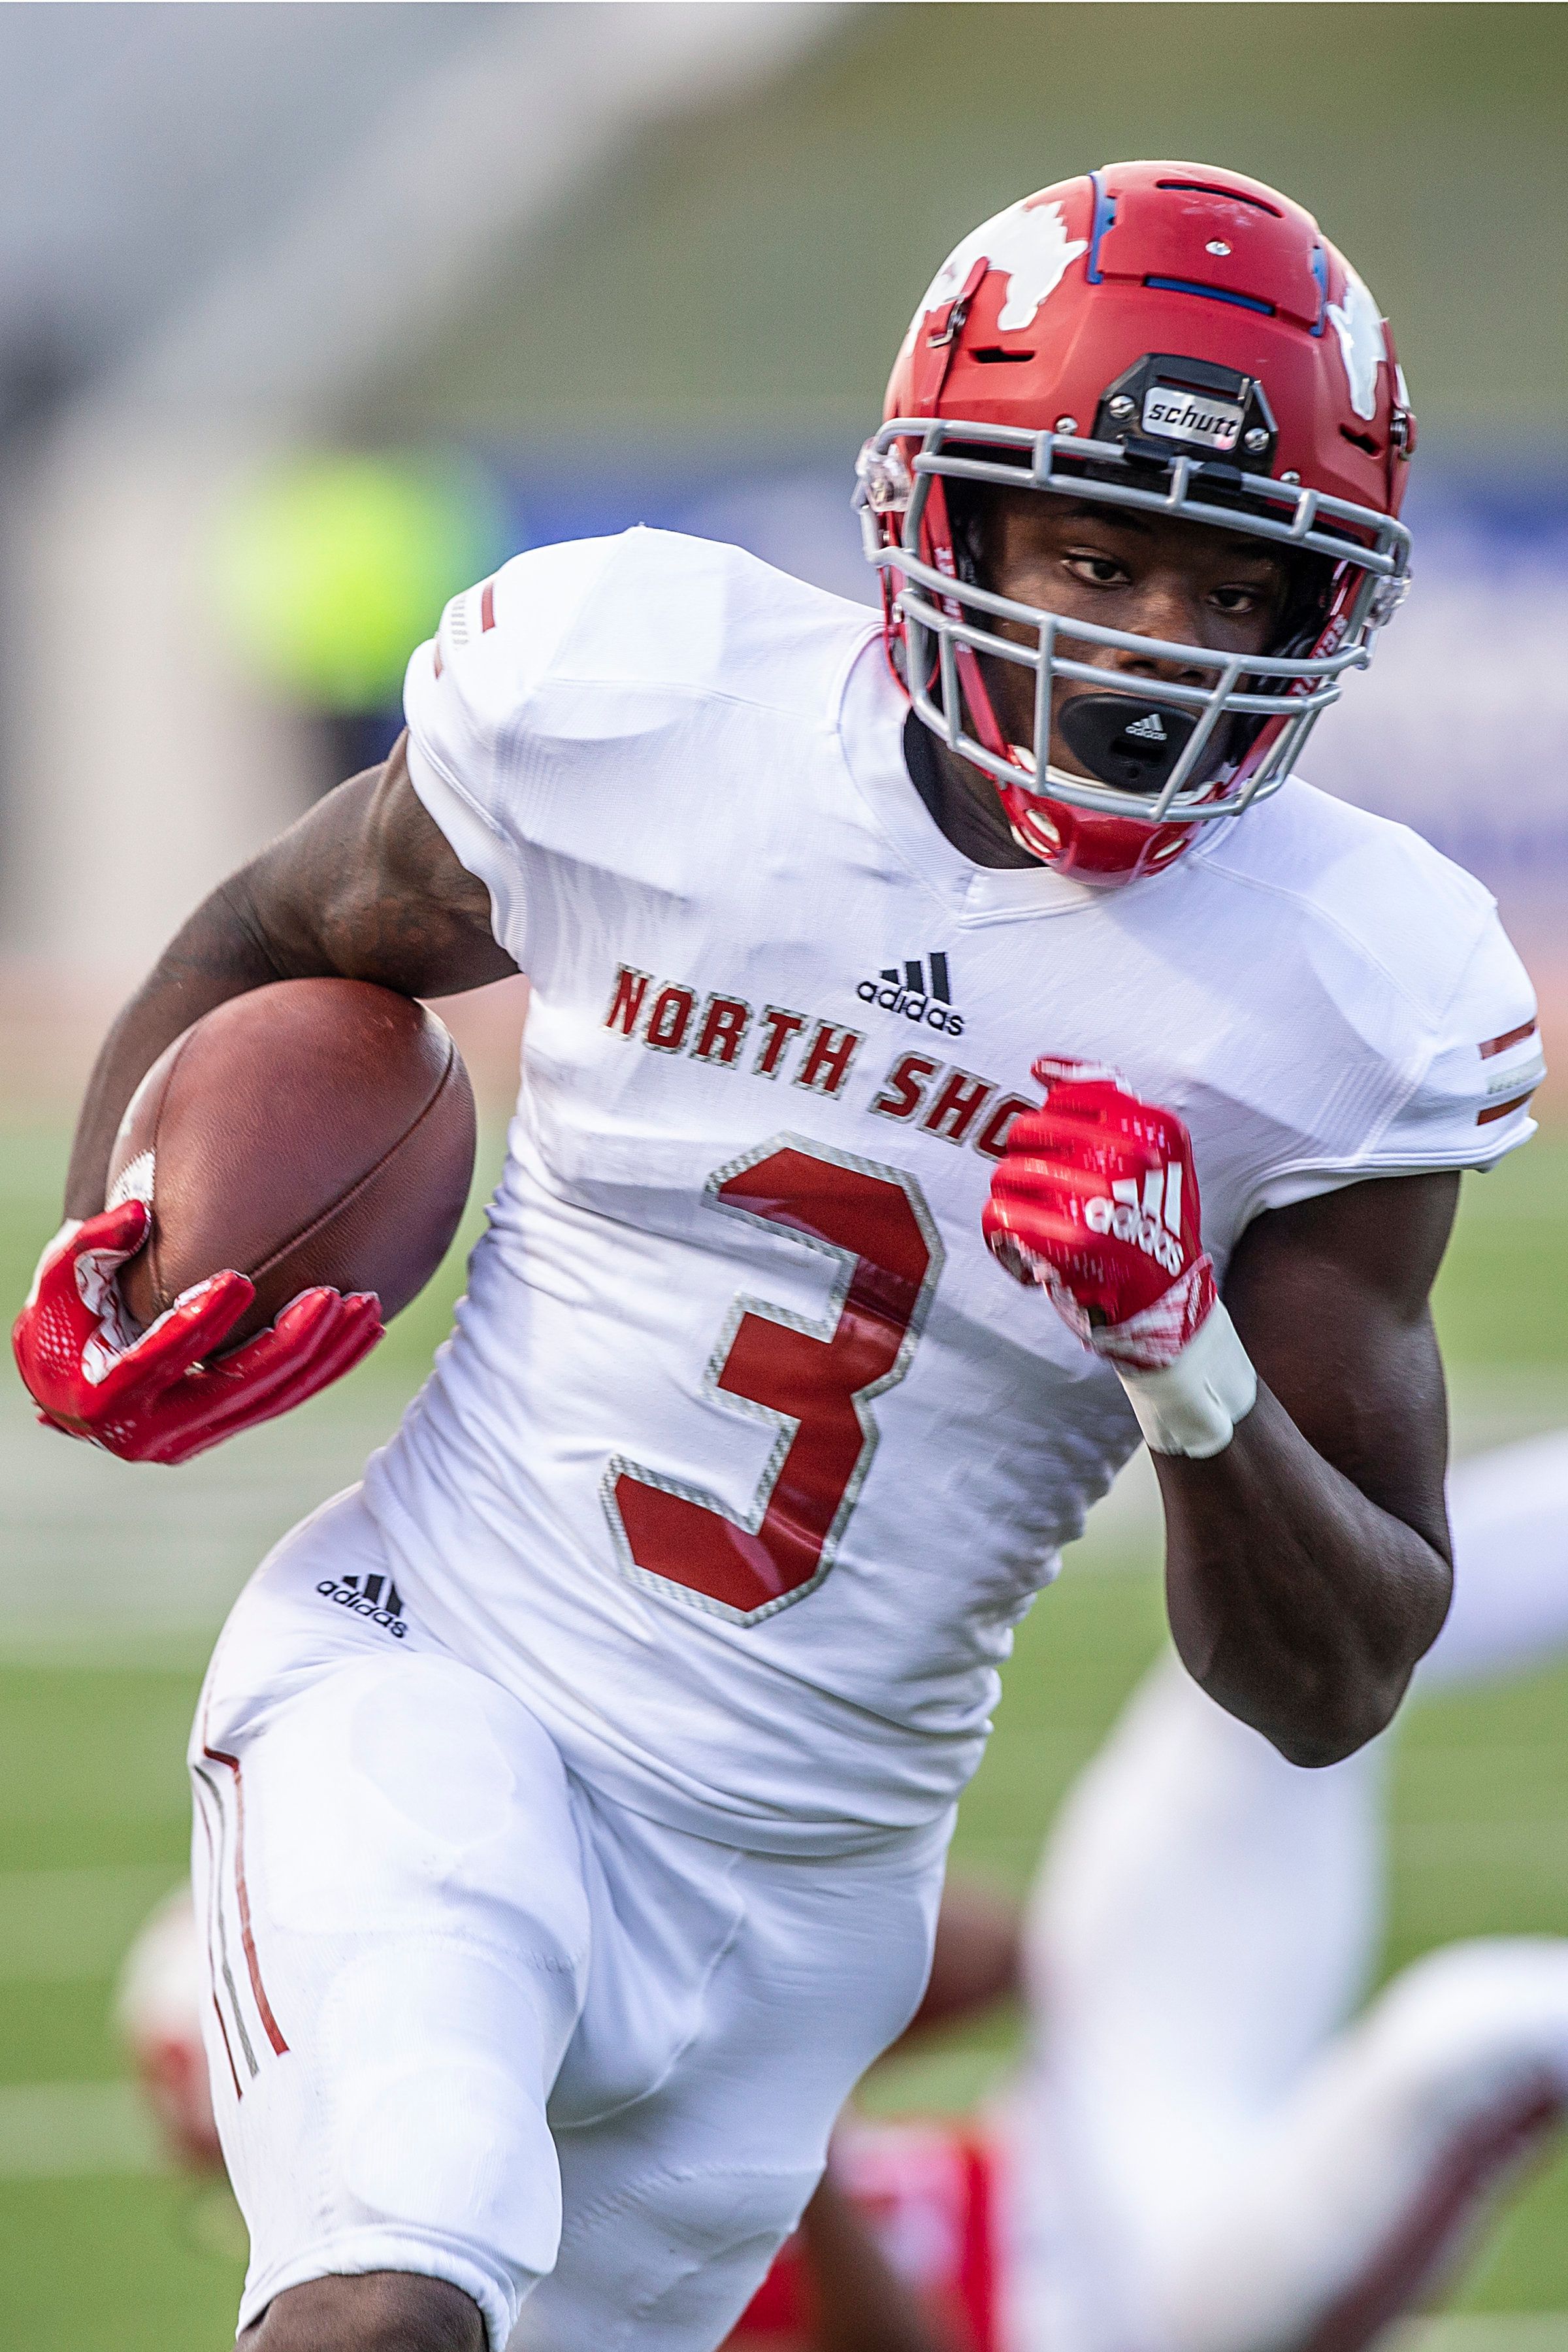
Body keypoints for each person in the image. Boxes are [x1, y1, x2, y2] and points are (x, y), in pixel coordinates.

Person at [13, 161, 1543, 2352]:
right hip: (448, 1682)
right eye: (1097, 558)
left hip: (810, 1897)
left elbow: (1337, 1681)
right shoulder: (647, 708)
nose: (1153, 649)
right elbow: (282, 924)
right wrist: (121, 1238)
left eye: (1234, 588)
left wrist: (1179, 1349)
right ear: (949, 522)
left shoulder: (1352, 989)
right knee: (385, 2305)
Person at [730, 1427, 1568, 2352]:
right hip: (1118, 2321)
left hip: (1077, 2126)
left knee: (1284, 1654)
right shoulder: (598, 2252)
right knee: (1473, 2033)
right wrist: (773, 2115)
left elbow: (995, 1957)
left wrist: (758, 1937)